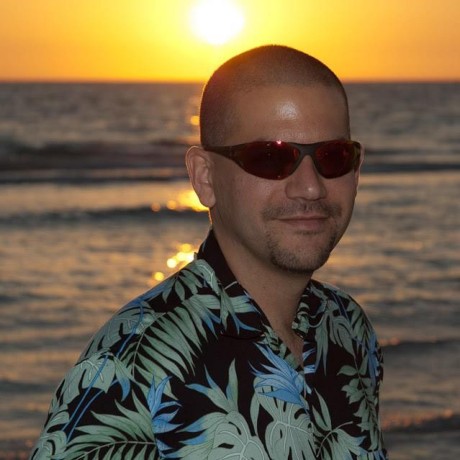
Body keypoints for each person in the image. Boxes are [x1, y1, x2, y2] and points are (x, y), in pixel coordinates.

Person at [31, 45, 387, 459]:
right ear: (205, 177)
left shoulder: (348, 328)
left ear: (356, 171)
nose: (310, 187)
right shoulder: (129, 366)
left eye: (333, 157)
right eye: (270, 157)